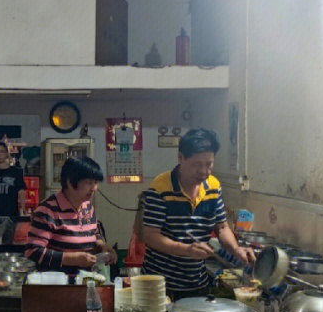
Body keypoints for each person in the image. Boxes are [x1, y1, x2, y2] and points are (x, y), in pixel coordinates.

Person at [140, 128, 255, 300]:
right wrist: (187, 250)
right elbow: (150, 236)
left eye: (209, 164)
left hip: (197, 284)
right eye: (197, 164)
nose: (204, 171)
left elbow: (222, 227)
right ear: (181, 158)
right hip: (160, 286)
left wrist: (236, 250)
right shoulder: (160, 188)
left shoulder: (214, 187)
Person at [26, 156, 112, 271]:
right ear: (70, 182)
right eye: (89, 182)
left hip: (85, 280)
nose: (94, 188)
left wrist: (102, 247)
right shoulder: (48, 210)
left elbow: (94, 233)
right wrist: (71, 259)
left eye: (96, 183)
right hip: (59, 284)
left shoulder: (88, 208)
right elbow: (33, 251)